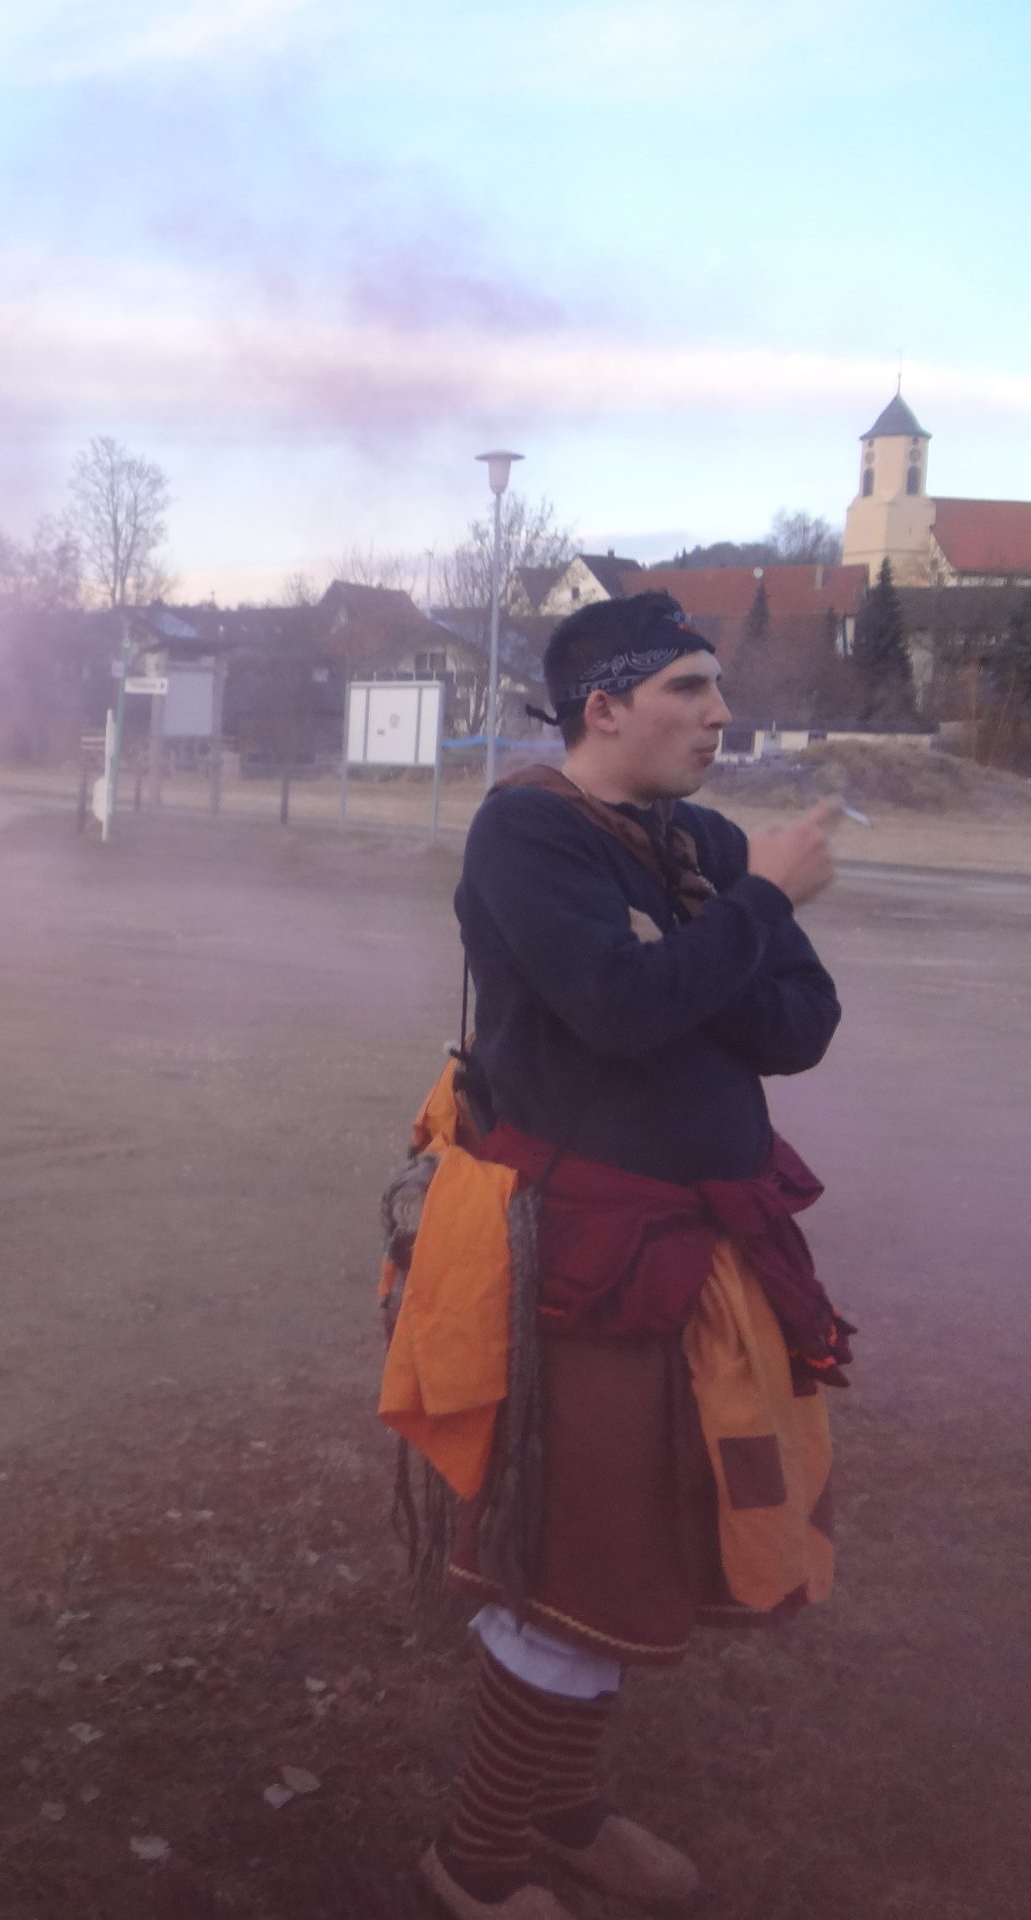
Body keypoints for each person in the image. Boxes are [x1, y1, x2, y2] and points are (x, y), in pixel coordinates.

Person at [389, 593, 854, 1920]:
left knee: (639, 1548)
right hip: (581, 1264)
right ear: (605, 707)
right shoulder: (526, 831)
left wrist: (702, 946)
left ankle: (566, 1811)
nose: (720, 716)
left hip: (693, 1252)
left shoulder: (702, 841)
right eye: (688, 691)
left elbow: (800, 1025)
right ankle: (477, 1864)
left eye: (718, 690)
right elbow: (615, 1008)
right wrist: (745, 915)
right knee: (576, 1563)